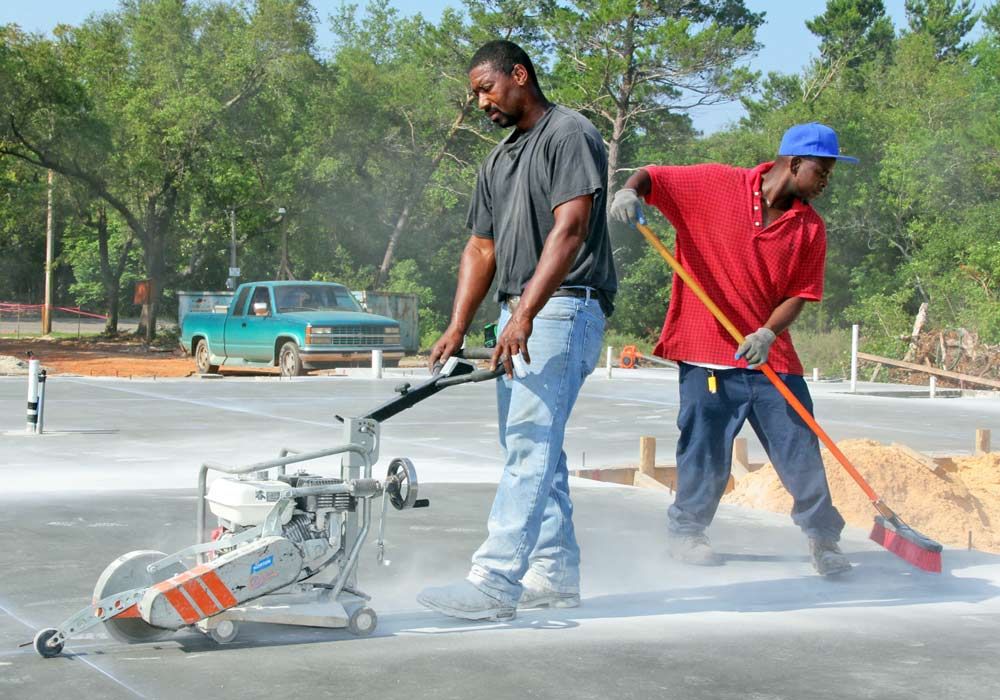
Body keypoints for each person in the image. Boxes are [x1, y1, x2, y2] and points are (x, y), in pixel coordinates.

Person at [417, 40, 617, 620]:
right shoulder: (498, 160)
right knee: (534, 448)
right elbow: (480, 248)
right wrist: (459, 325)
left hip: (562, 307)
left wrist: (526, 312)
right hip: (520, 313)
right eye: (475, 93)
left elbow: (571, 229)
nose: (480, 101)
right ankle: (553, 574)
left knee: (529, 447)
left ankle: (495, 582)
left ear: (520, 75)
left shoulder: (569, 133)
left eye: (486, 87)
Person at [608, 123, 855, 576]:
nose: (826, 181)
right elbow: (652, 177)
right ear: (794, 162)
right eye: (822, 170)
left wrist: (767, 333)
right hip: (706, 350)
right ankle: (687, 532)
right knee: (704, 449)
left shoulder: (810, 228)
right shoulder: (716, 184)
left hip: (768, 355)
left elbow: (801, 292)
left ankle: (824, 540)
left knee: (800, 447)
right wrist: (629, 193)